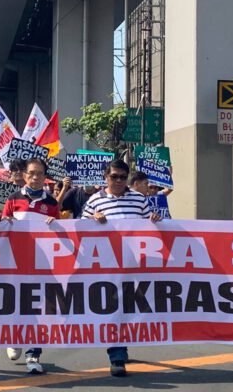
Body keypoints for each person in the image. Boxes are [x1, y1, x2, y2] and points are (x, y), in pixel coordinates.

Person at [82, 159, 161, 377]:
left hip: (133, 265)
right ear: (105, 177)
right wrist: (92, 219)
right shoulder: (95, 200)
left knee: (129, 308)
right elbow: (80, 228)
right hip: (107, 266)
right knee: (114, 308)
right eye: (114, 176)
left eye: (122, 177)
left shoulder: (139, 199)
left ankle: (122, 343)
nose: (118, 181)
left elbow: (149, 225)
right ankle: (116, 355)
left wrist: (154, 219)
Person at [1, 157, 59, 374]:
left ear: (45, 177)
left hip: (42, 266)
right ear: (24, 175)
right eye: (31, 173)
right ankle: (15, 338)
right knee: (16, 304)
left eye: (40, 174)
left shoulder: (52, 203)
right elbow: (3, 227)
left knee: (38, 309)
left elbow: (59, 235)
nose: (35, 178)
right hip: (16, 264)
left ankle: (33, 355)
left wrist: (56, 224)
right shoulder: (13, 198)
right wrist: (4, 222)